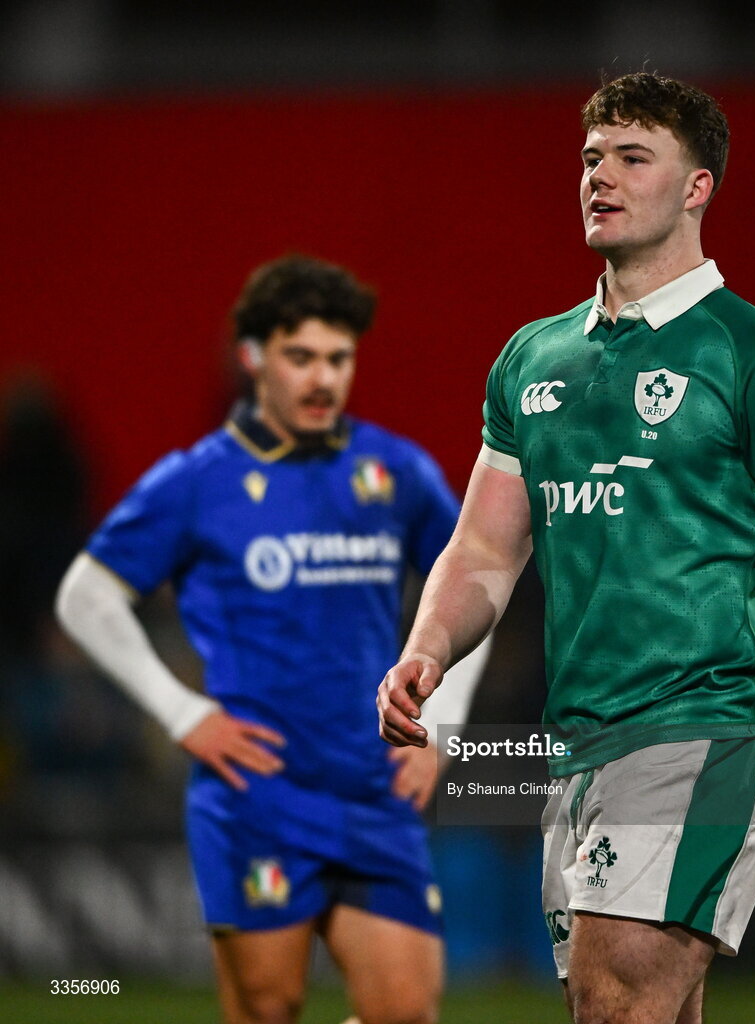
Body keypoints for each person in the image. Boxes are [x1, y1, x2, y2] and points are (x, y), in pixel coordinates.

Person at [377, 73, 755, 1024]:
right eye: (591, 158)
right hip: (578, 741)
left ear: (696, 188)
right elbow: (482, 551)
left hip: (706, 727)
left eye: (633, 157)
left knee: (616, 1001)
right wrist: (427, 648)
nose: (600, 176)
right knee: (643, 1010)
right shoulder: (532, 360)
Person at [56, 254, 489, 1024]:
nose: (322, 378)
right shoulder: (196, 481)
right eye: (300, 358)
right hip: (257, 794)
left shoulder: (393, 471)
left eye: (338, 358)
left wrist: (446, 721)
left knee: (405, 1013)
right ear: (254, 358)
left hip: (372, 786)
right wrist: (181, 712)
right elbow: (85, 596)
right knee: (266, 1009)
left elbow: (477, 583)